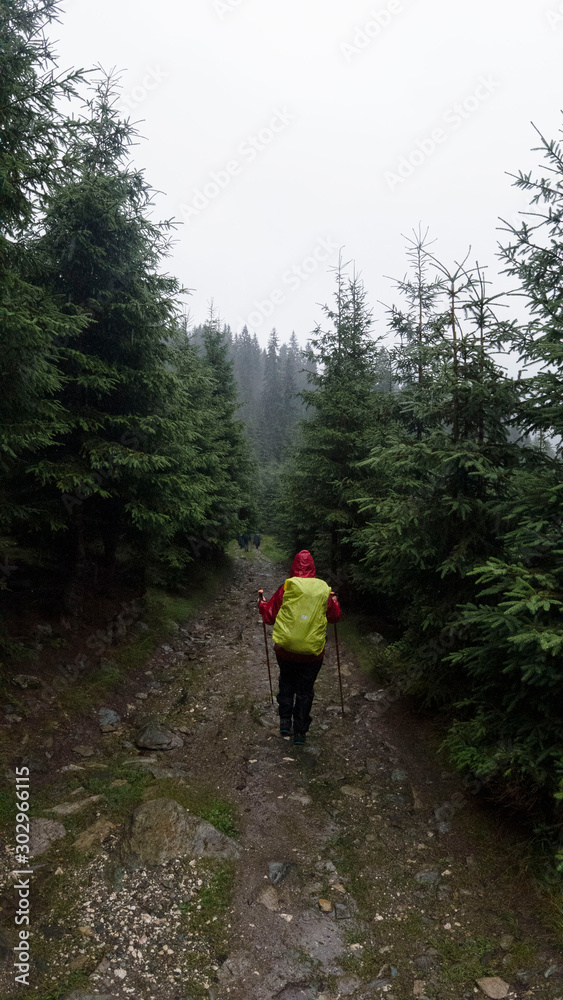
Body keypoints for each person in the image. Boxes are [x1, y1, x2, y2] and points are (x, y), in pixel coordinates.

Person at [258, 550, 341, 745]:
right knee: (305, 691)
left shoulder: (287, 588)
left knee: (286, 682)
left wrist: (261, 604)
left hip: (285, 651)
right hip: (312, 654)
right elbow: (335, 617)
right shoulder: (323, 590)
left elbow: (269, 617)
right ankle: (300, 732)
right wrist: (335, 602)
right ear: (313, 568)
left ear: (294, 566)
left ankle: (285, 721)